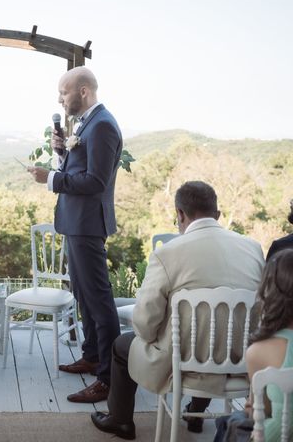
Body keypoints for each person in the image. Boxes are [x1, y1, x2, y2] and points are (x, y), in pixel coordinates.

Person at [90, 181, 265, 440]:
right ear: (217, 214)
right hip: (240, 361)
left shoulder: (168, 253)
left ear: (180, 214)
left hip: (182, 363)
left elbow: (145, 323)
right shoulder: (253, 248)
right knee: (213, 336)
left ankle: (120, 420)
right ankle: (194, 414)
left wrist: (152, 336)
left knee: (121, 345)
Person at [27, 66, 122, 403]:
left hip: (88, 224)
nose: (60, 99)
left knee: (98, 300)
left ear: (83, 91)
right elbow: (82, 168)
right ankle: (93, 354)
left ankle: (109, 379)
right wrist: (63, 155)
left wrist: (51, 177)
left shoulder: (103, 126)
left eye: (63, 92)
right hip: (75, 223)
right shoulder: (88, 125)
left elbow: (96, 181)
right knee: (83, 295)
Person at [214, 248, 293, 442]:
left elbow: (263, 414)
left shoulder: (260, 351)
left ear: (271, 293)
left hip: (277, 435)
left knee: (231, 421)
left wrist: (251, 407)